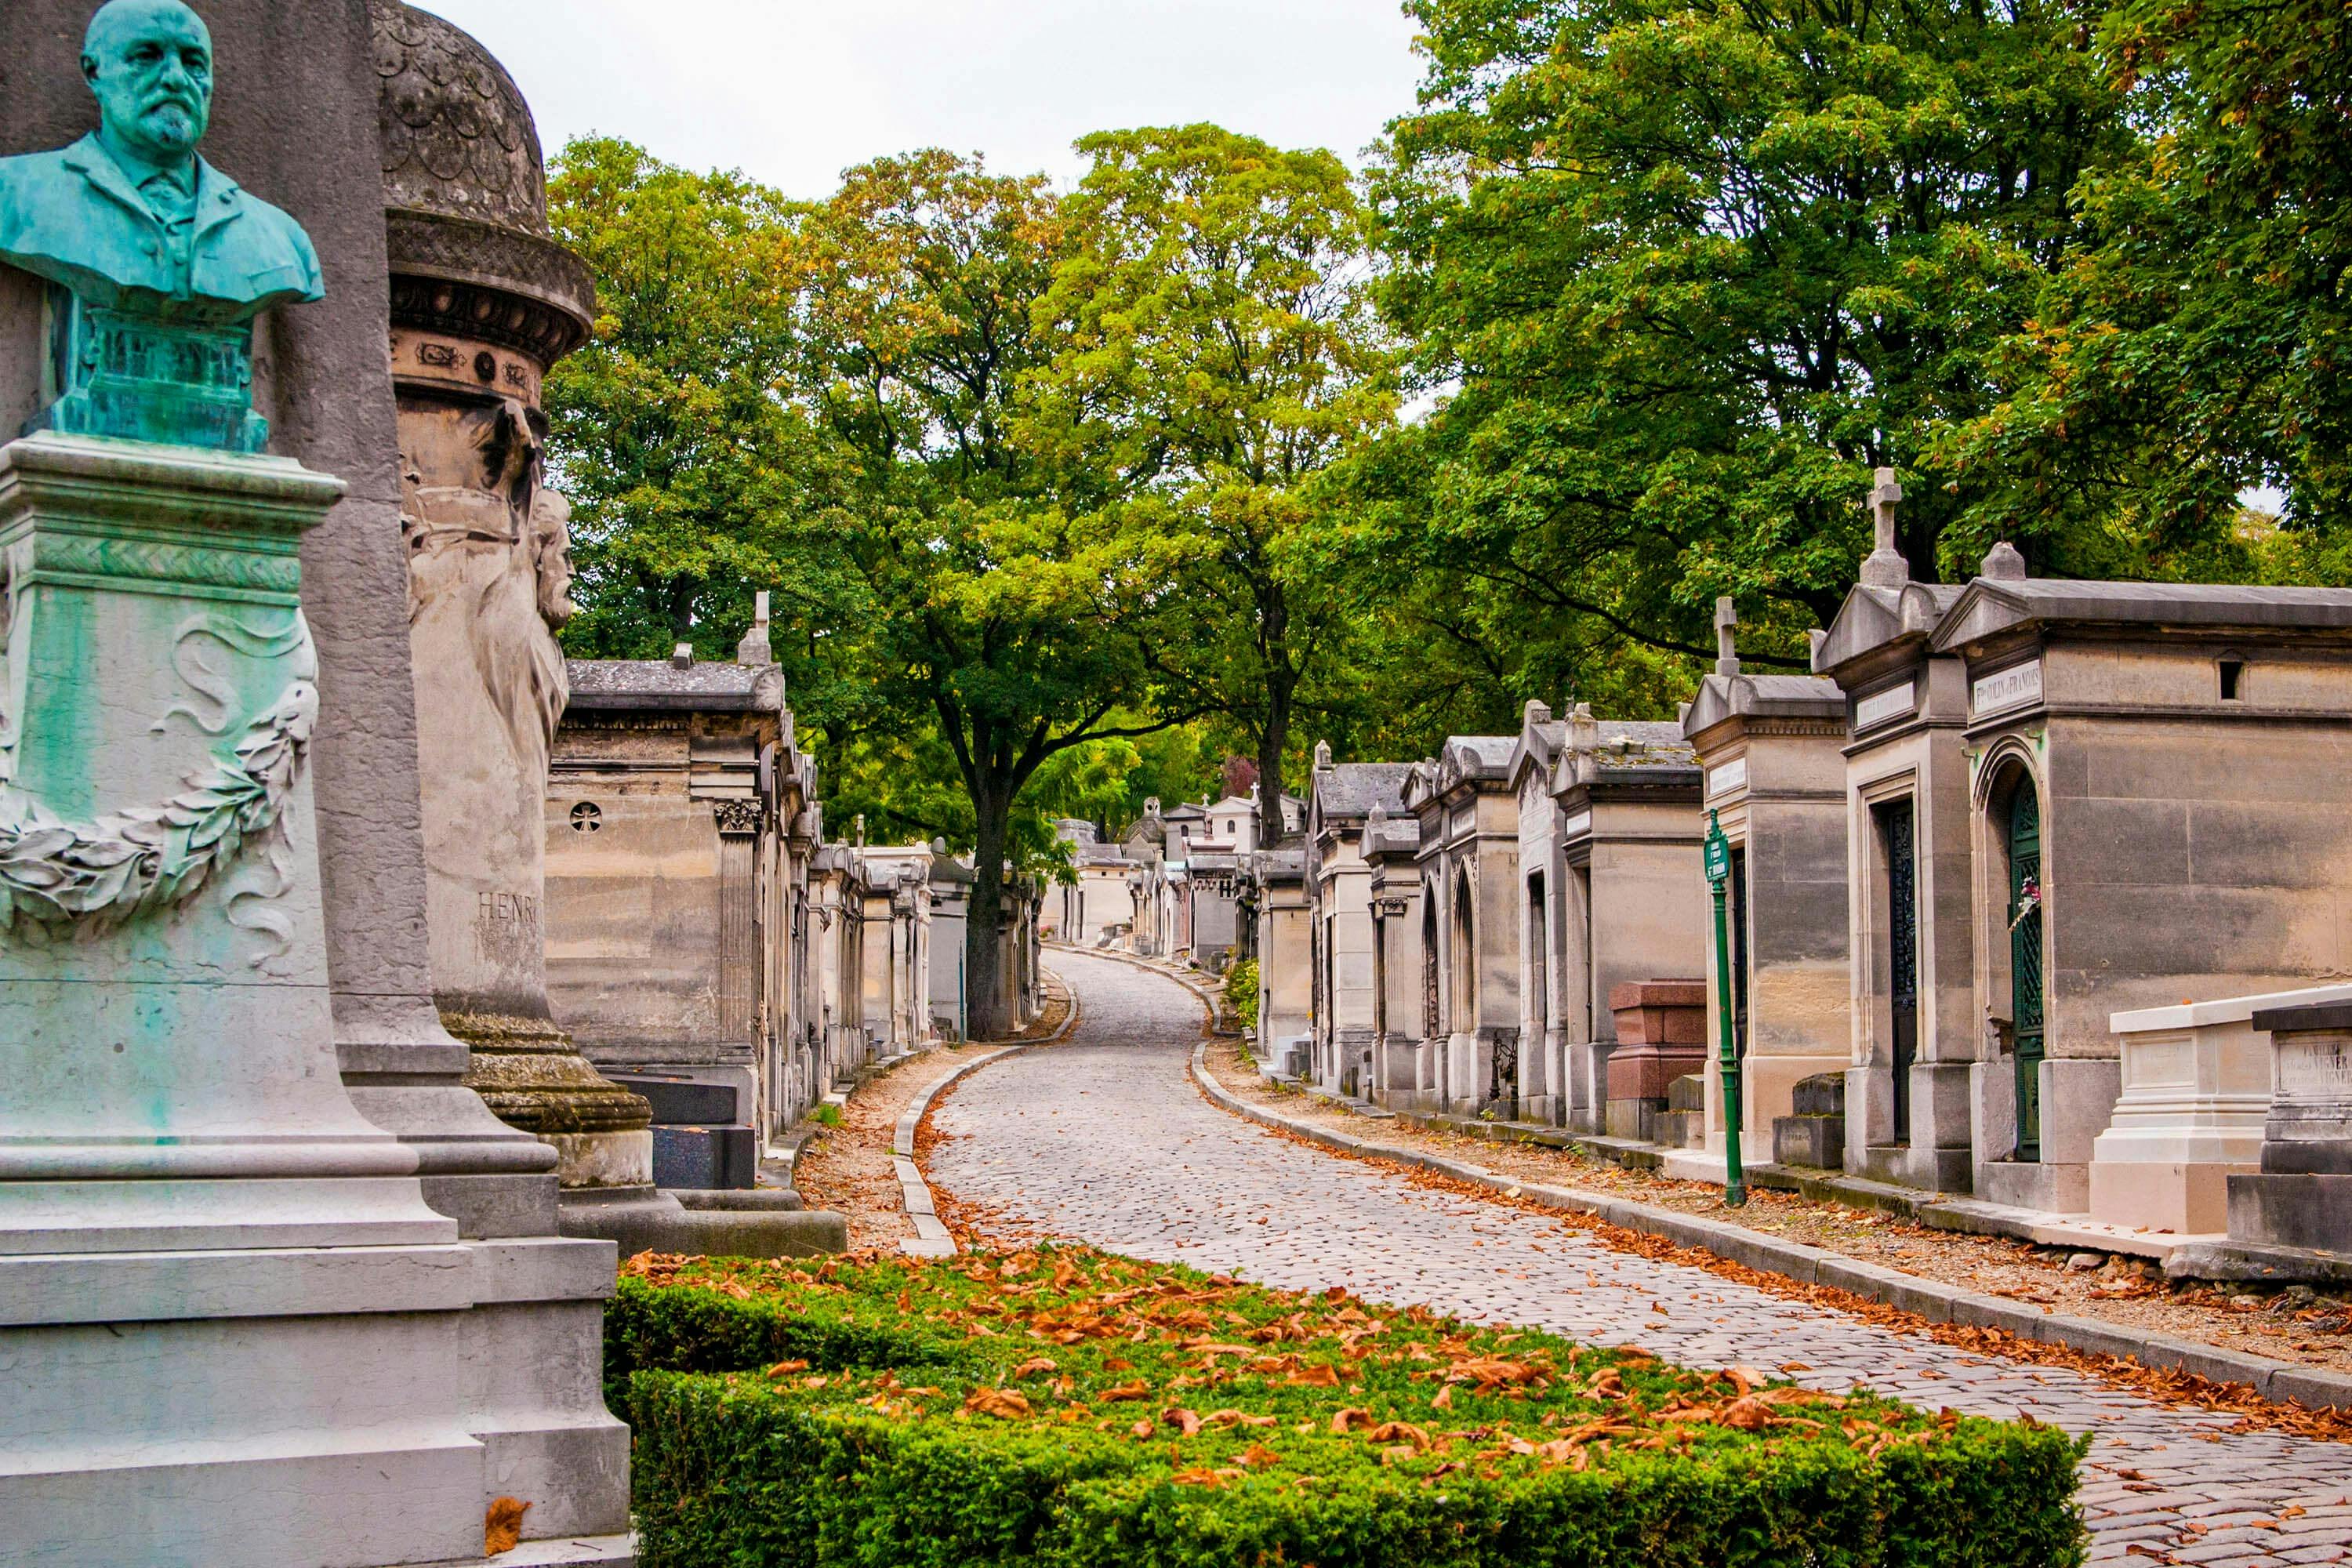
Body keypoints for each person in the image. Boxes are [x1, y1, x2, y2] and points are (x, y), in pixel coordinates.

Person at [0, 0, 320, 321]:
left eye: (193, 62)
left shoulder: (282, 240)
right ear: (94, 72)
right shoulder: (13, 195)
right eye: (146, 57)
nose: (175, 78)